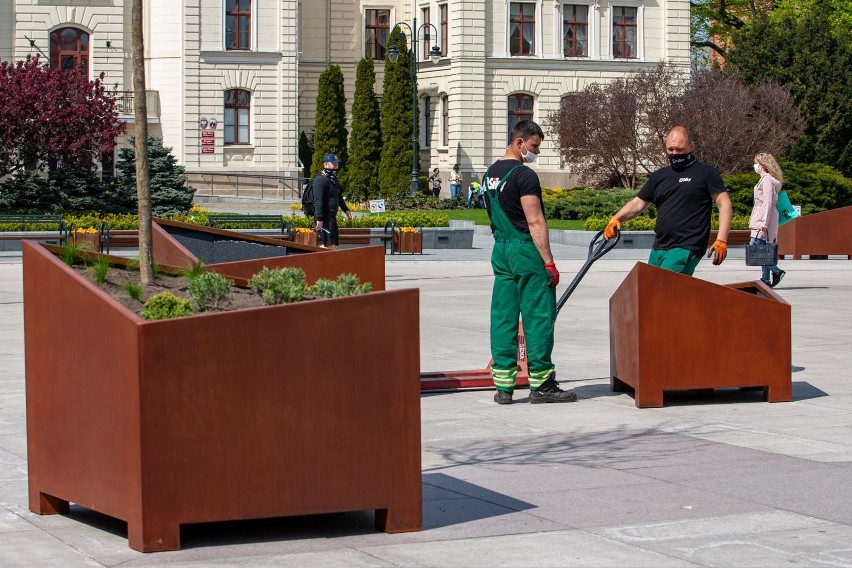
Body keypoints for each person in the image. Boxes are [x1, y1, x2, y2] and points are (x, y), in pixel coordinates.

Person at [483, 120, 577, 405]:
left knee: (503, 315)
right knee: (538, 315)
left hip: (501, 250)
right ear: (519, 142)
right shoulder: (523, 175)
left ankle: (503, 387)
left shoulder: (490, 174)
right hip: (525, 250)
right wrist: (548, 261)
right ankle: (542, 383)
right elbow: (534, 220)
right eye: (534, 146)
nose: (536, 152)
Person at [604, 126, 732, 275]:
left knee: (664, 289)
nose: (674, 153)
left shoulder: (705, 173)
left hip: (686, 245)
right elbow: (638, 203)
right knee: (652, 291)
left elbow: (724, 204)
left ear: (691, 146)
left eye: (679, 149)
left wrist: (721, 240)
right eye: (670, 149)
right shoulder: (660, 176)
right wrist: (616, 218)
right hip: (660, 245)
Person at [749, 153, 786, 287]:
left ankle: (776, 271)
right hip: (762, 217)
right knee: (763, 249)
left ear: (762, 165)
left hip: (763, 219)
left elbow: (768, 203)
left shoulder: (766, 181)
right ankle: (765, 278)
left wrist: (764, 222)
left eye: (757, 163)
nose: (755, 166)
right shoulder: (766, 180)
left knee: (755, 247)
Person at [313, 153, 353, 249]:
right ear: (326, 164)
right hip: (324, 218)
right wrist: (319, 218)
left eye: (337, 164)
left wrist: (346, 210)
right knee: (323, 244)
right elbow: (318, 200)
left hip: (331, 218)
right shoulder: (320, 179)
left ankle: (329, 263)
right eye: (334, 164)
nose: (336, 167)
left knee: (332, 244)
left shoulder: (332, 179)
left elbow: (338, 196)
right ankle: (323, 263)